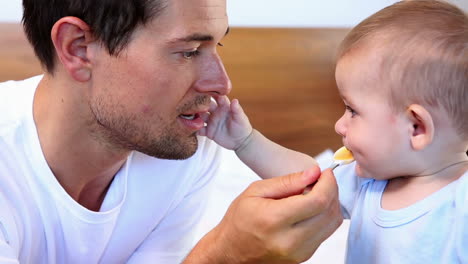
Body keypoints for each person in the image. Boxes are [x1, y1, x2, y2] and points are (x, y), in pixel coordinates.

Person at [0, 0, 343, 263]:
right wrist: (223, 254)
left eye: (216, 47)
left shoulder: (185, 151)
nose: (221, 84)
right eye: (189, 52)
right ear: (78, 47)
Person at [202, 1, 468, 263]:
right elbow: (307, 179)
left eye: (353, 110)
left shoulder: (459, 205)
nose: (339, 126)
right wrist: (245, 141)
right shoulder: (370, 182)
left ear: (416, 128)